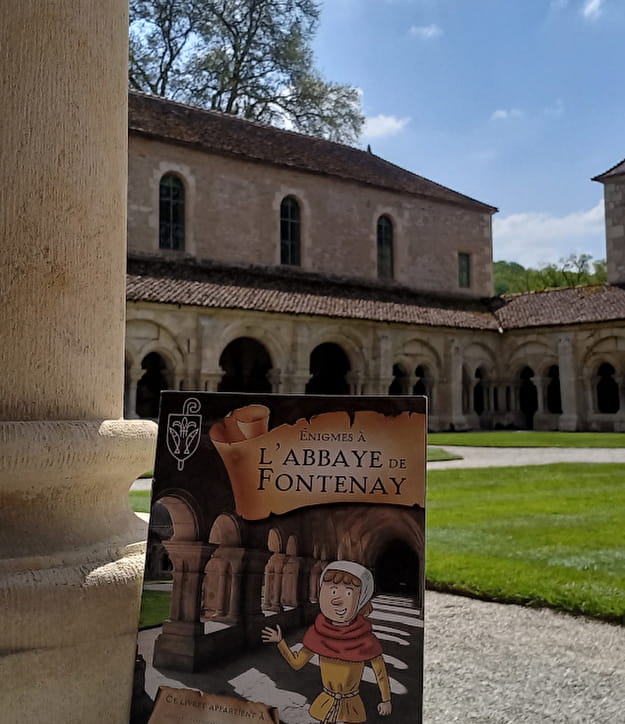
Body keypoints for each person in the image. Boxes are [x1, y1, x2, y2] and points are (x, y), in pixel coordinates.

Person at [261, 560, 392, 723]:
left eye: (348, 593)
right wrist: (280, 642)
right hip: (326, 702)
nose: (336, 600)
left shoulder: (365, 640)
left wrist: (386, 700)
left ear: (361, 601)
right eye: (332, 590)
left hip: (352, 704)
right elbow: (297, 663)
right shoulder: (318, 634)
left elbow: (380, 672)